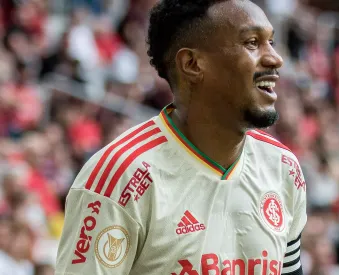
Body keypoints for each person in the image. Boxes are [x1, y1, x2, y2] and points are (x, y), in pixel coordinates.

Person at [54, 0, 307, 274]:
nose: (275, 58)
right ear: (192, 64)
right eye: (252, 43)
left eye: (271, 41)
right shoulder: (122, 177)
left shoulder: (283, 168)